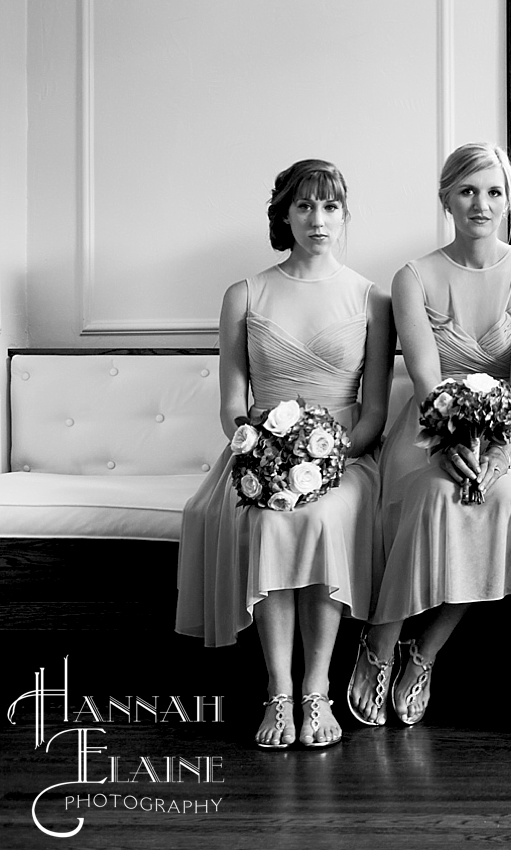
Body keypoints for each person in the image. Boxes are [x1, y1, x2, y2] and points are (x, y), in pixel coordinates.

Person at [176, 159, 394, 749]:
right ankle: (278, 690)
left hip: (347, 455)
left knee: (321, 518)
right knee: (272, 519)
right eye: (304, 206)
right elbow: (230, 403)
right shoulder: (244, 294)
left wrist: (330, 461)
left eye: (330, 207)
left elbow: (374, 410)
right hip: (260, 454)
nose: (317, 219)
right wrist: (259, 450)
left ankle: (317, 688)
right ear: (284, 215)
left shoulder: (373, 299)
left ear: (345, 216)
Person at [346, 142, 511, 728]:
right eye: (467, 191)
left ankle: (426, 650)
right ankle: (381, 640)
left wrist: (496, 451)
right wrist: (450, 446)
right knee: (436, 495)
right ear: (446, 198)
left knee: (504, 499)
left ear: (509, 199)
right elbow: (425, 381)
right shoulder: (413, 277)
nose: (481, 204)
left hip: (510, 435)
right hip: (427, 430)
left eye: (493, 192)